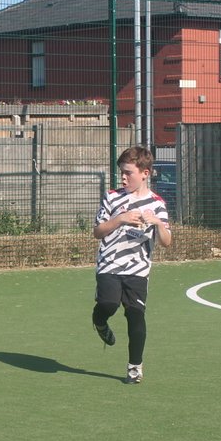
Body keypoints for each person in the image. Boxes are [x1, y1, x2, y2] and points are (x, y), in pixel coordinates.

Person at [91, 145, 172, 384]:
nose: (123, 177)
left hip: (138, 270)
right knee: (108, 303)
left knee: (136, 314)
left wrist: (158, 223)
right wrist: (119, 219)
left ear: (145, 173)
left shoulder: (157, 203)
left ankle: (134, 367)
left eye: (129, 172)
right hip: (110, 264)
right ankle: (99, 320)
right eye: (122, 172)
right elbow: (97, 232)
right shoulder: (112, 197)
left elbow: (167, 242)